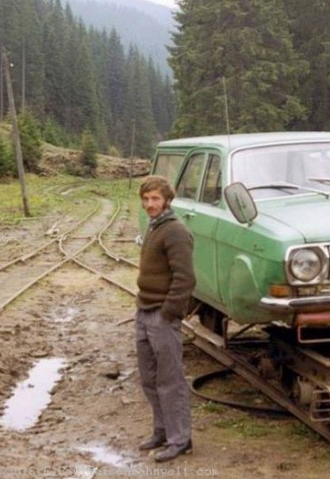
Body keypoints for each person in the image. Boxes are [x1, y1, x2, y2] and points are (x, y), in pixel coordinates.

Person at [135, 175, 196, 463]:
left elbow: (185, 279)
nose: (150, 204)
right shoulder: (154, 226)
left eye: (155, 199)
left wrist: (169, 313)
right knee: (149, 377)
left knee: (170, 379)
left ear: (167, 200)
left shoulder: (174, 231)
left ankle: (180, 439)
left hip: (161, 314)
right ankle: (161, 430)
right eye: (146, 199)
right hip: (144, 310)